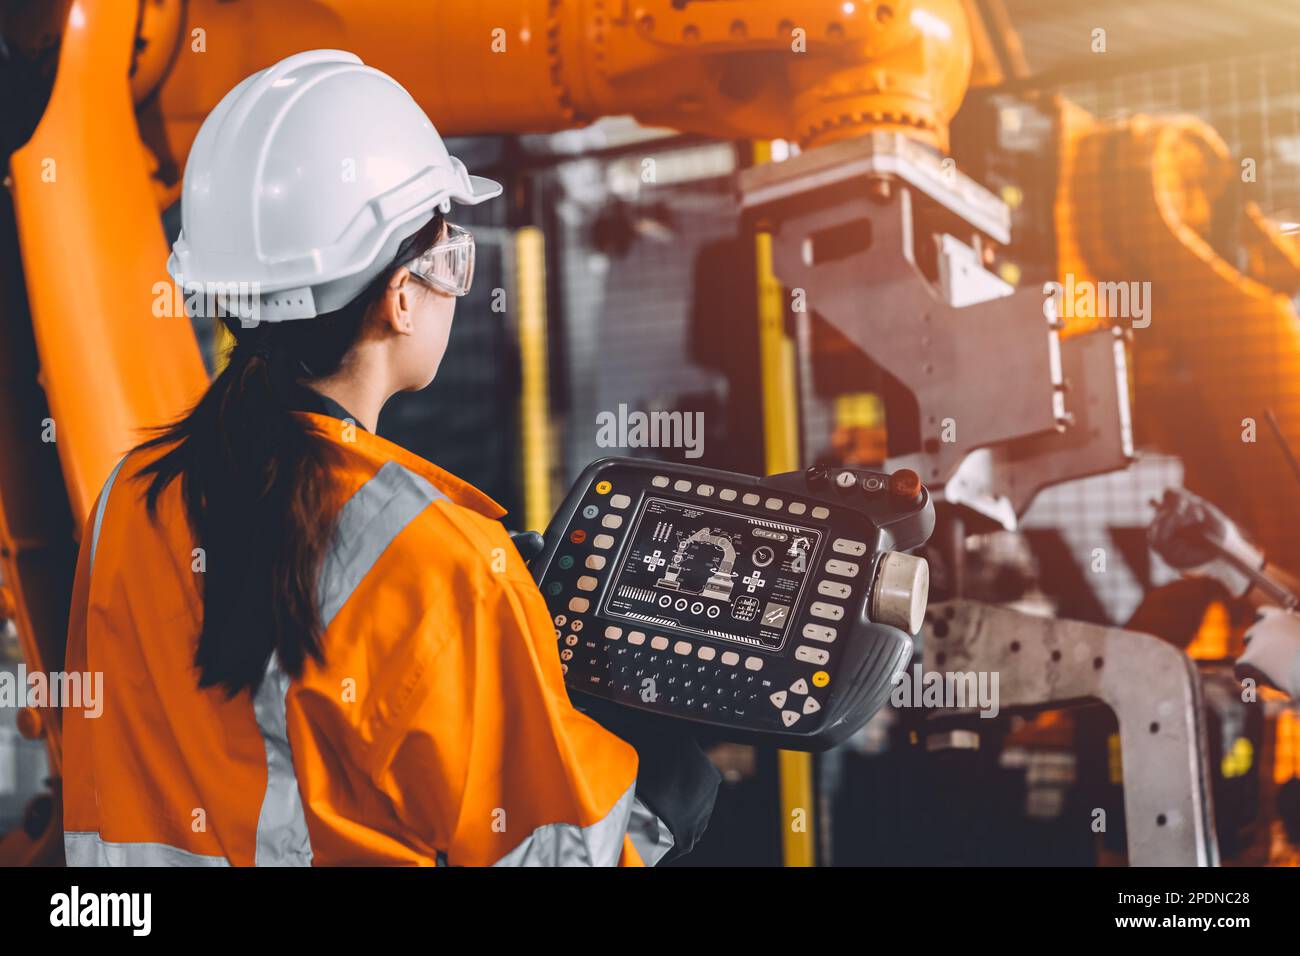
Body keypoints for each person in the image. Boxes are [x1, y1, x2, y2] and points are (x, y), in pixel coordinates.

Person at [62, 49, 718, 866]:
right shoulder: (440, 564)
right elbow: (555, 855)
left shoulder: (130, 498)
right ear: (402, 295)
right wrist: (666, 791)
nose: (455, 280)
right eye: (452, 253)